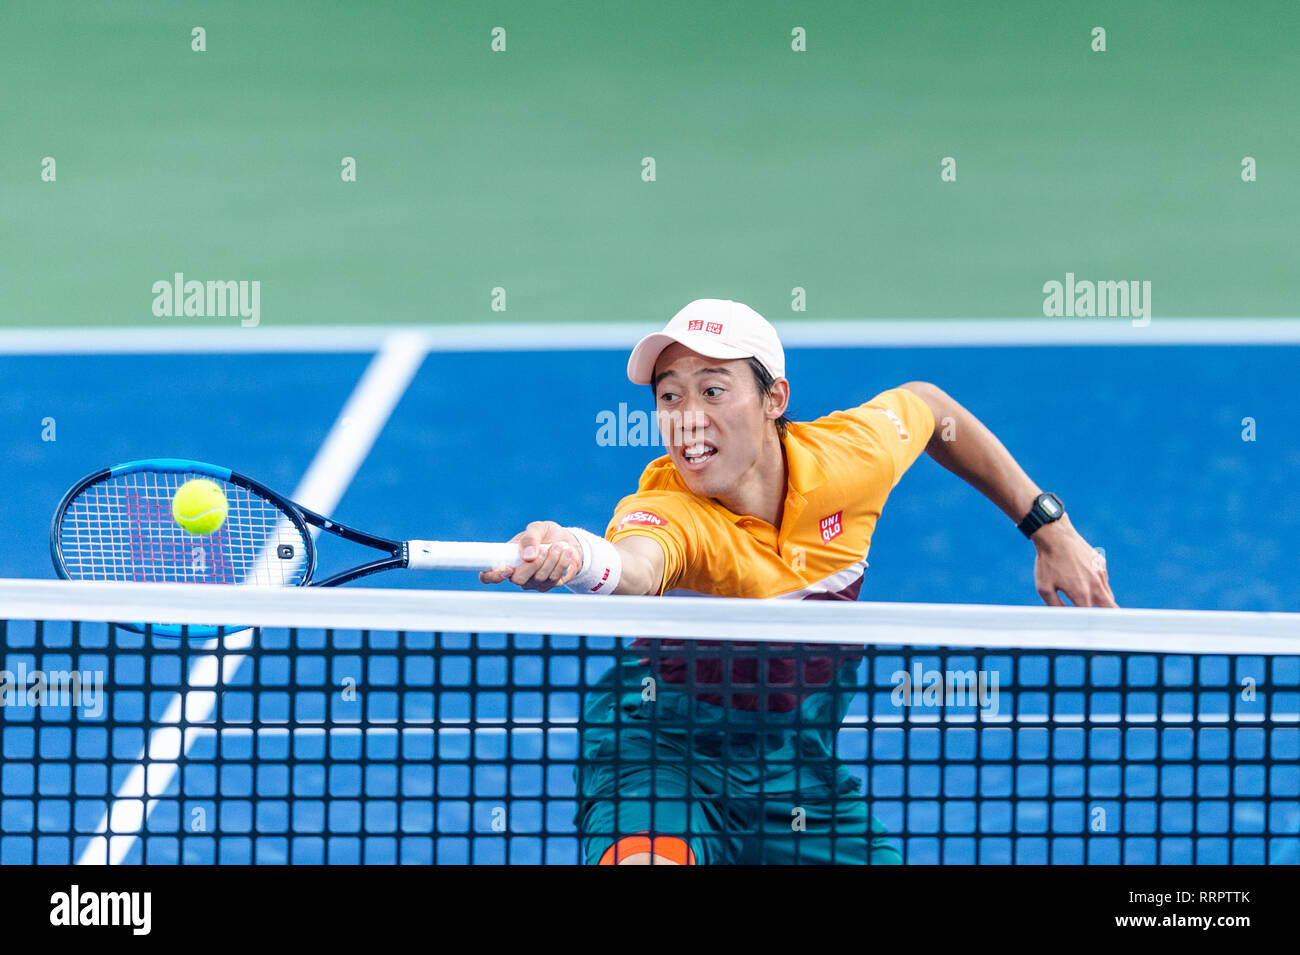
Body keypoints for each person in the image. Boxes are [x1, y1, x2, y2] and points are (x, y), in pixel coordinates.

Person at [481, 298, 1116, 865]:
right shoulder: (669, 509)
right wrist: (577, 556)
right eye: (669, 397)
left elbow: (929, 407)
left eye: (713, 390)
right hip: (661, 749)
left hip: (795, 764)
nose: (686, 419)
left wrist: (1049, 528)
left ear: (774, 399)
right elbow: (636, 563)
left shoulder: (849, 461)